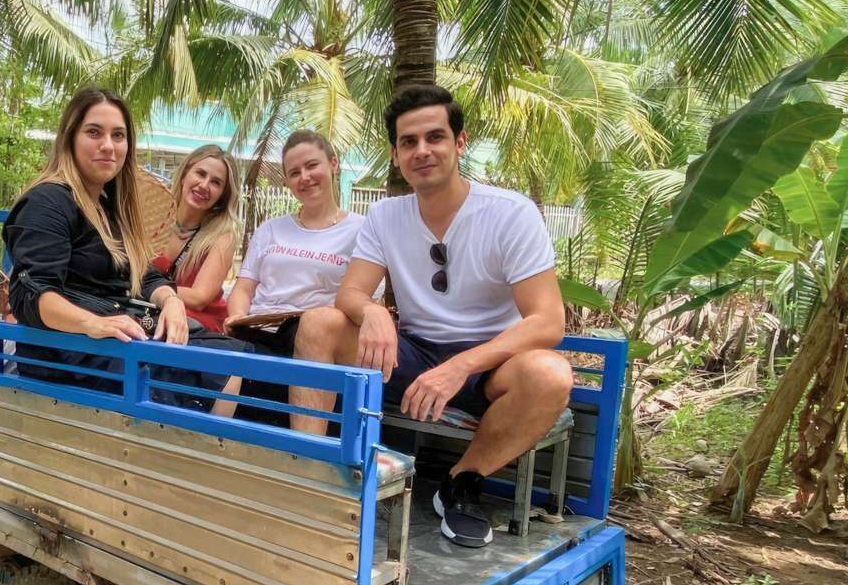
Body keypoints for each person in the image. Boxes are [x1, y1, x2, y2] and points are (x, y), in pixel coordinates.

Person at [293, 84, 573, 548]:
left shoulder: (510, 214)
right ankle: (312, 476)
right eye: (409, 142)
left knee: (550, 374)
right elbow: (351, 294)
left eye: (435, 137)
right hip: (414, 356)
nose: (422, 150)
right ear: (396, 153)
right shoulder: (385, 215)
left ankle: (461, 483)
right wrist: (373, 313)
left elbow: (548, 322)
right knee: (318, 323)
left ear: (459, 143)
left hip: (489, 366)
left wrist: (462, 365)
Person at [5, 88, 246, 403]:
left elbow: (143, 274)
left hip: (115, 335)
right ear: (70, 138)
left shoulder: (108, 205)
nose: (108, 145)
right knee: (206, 370)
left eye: (118, 135)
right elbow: (31, 293)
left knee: (231, 358)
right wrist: (92, 324)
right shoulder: (49, 201)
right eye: (94, 132)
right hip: (70, 348)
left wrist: (172, 302)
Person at [224, 130, 368, 428]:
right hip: (258, 330)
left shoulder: (361, 230)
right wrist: (237, 317)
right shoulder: (271, 230)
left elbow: (363, 299)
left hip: (311, 339)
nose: (305, 177)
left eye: (312, 166)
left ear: (333, 164)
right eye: (294, 172)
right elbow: (244, 288)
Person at [153, 144, 238, 335]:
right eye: (200, 174)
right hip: (148, 312)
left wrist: (149, 290)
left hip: (196, 325)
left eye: (216, 182)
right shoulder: (153, 219)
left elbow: (199, 298)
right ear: (184, 175)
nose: (204, 185)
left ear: (222, 197)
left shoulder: (223, 236)